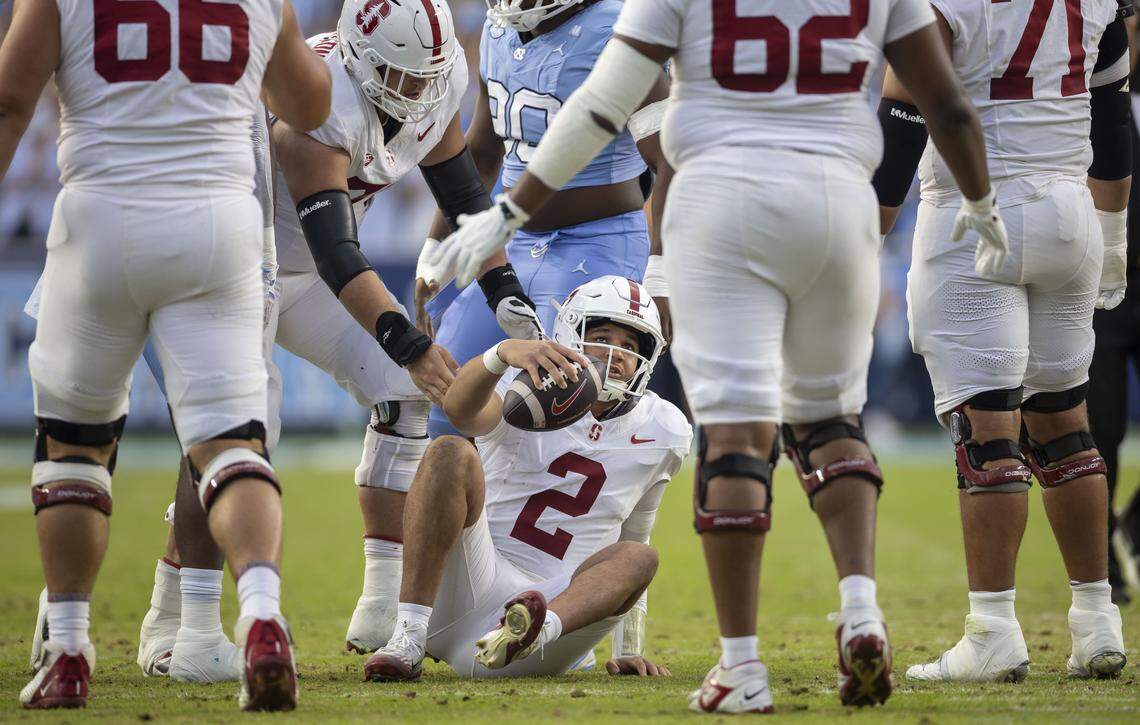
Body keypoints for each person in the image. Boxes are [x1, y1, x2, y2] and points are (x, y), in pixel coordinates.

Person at [430, 0, 1001, 712]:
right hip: (834, 194)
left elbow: (602, 107)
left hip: (721, 196)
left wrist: (508, 211)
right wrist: (979, 202)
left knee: (732, 438)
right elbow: (943, 103)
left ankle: (741, 665)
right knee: (831, 420)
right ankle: (860, 608)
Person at [128, 0, 554, 675]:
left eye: (427, 78)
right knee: (233, 430)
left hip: (303, 275)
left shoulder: (434, 80)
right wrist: (407, 342)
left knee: (399, 391)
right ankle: (179, 620)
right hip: (241, 266)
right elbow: (337, 253)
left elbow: (465, 198)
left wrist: (505, 292)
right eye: (402, 77)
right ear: (360, 58)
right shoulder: (318, 99)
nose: (417, 94)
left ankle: (382, 597)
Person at [0, 0, 332, 711]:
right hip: (216, 224)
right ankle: (263, 613)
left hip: (101, 216)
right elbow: (310, 101)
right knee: (232, 442)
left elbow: (9, 97)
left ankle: (67, 648)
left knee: (74, 449)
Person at [875, 0, 1132, 684]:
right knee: (1064, 421)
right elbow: (1111, 114)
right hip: (1069, 211)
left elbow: (903, 119)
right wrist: (1112, 231)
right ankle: (1096, 619)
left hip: (972, 212)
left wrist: (868, 229)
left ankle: (992, 627)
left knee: (987, 429)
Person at [363, 276, 690, 680]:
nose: (616, 354)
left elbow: (635, 535)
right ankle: (408, 635)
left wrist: (630, 649)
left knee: (641, 557)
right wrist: (500, 354)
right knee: (449, 451)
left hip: (556, 610)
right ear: (570, 333)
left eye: (629, 347)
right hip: (471, 579)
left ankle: (531, 633)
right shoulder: (526, 387)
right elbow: (460, 414)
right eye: (602, 336)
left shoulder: (665, 427)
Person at [416, 0, 674, 440]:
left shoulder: (619, 30)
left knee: (556, 419)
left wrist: (663, 271)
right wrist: (436, 248)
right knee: (447, 410)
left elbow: (669, 159)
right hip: (511, 247)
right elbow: (480, 158)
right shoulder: (500, 31)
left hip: (601, 243)